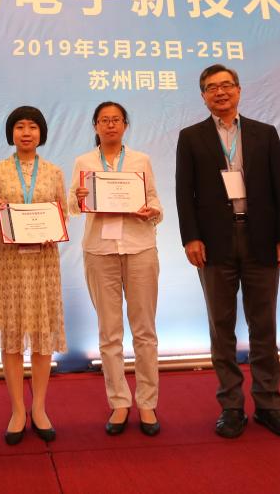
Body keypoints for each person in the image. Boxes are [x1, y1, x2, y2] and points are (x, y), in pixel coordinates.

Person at [175, 64, 280, 440]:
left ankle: (268, 406)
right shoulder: (191, 137)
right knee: (221, 327)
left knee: (264, 325)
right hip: (214, 242)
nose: (220, 92)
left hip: (261, 237)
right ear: (203, 96)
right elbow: (184, 193)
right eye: (212, 87)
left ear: (239, 90)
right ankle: (231, 406)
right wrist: (190, 238)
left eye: (227, 85)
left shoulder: (265, 133)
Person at [69, 102, 163, 436]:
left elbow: (156, 203)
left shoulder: (141, 160)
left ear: (125, 125)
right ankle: (119, 402)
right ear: (95, 126)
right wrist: (80, 198)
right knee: (109, 333)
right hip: (99, 251)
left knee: (144, 331)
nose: (110, 125)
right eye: (104, 120)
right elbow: (72, 206)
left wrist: (150, 211)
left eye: (116, 120)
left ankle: (148, 402)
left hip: (140, 248)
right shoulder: (84, 162)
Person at [0, 106, 67, 445]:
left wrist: (54, 229)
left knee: (42, 332)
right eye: (20, 127)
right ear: (11, 133)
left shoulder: (54, 171)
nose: (26, 132)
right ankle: (18, 410)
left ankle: (40, 408)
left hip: (43, 259)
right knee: (13, 332)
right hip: (9, 259)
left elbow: (62, 212)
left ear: (41, 132)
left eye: (32, 126)